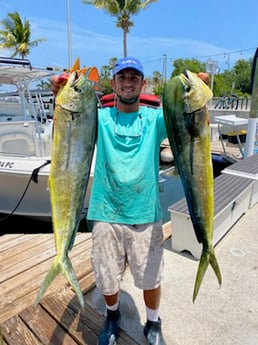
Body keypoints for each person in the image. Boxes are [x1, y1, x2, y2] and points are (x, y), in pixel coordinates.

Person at [51, 57, 210, 345]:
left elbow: (188, 117)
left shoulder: (156, 119)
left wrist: (200, 95)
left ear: (142, 84)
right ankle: (112, 316)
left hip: (145, 216)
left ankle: (152, 320)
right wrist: (57, 94)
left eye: (133, 78)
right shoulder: (99, 118)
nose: (127, 82)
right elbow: (70, 122)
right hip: (105, 213)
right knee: (107, 278)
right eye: (122, 77)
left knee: (151, 279)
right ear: (114, 83)